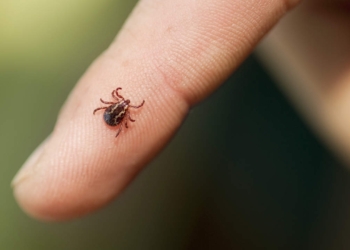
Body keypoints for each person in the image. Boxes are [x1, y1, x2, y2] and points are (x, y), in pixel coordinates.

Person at [12, 0, 348, 221]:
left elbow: (112, 110)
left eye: (121, 106)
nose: (122, 107)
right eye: (121, 105)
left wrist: (114, 117)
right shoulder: (119, 108)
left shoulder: (116, 107)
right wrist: (118, 117)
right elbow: (116, 111)